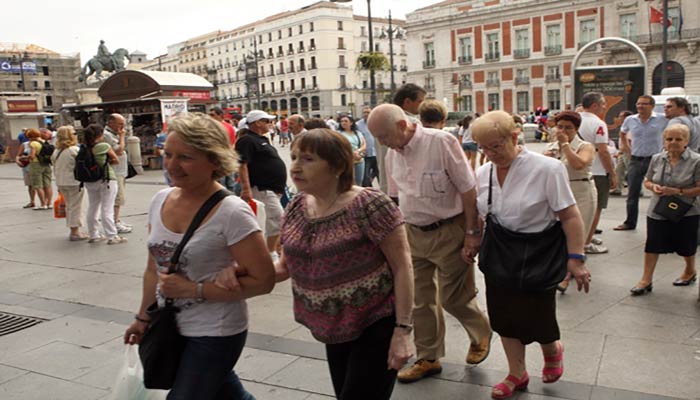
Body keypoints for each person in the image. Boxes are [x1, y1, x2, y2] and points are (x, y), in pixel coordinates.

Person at [221, 128, 414, 399]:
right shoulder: (298, 206)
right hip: (332, 327)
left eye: (308, 159)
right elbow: (285, 268)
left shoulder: (370, 205)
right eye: (295, 157)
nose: (296, 167)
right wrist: (240, 272)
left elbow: (403, 266)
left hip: (375, 322)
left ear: (337, 165)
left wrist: (403, 330)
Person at [123, 113, 275, 400]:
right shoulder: (160, 200)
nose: (171, 165)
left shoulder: (232, 212)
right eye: (167, 154)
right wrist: (142, 319)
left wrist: (194, 289)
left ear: (215, 160)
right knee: (227, 393)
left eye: (185, 157)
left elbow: (264, 280)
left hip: (216, 330)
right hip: (169, 326)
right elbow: (153, 270)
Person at [367, 104, 492, 384]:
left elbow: (468, 189)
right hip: (412, 232)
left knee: (453, 297)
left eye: (384, 136)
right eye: (378, 138)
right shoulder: (392, 154)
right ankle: (428, 357)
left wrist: (472, 232)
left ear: (402, 125)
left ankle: (481, 331)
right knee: (420, 300)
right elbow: (395, 198)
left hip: (449, 229)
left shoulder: (441, 142)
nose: (383, 143)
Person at [471, 111, 591, 399]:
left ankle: (552, 348)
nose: (489, 154)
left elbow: (570, 216)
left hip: (539, 251)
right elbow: (481, 215)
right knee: (503, 317)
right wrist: (472, 238)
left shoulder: (547, 168)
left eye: (496, 146)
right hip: (500, 250)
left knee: (539, 316)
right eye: (483, 148)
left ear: (515, 137)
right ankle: (516, 373)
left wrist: (576, 259)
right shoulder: (483, 172)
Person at [630, 124, 700, 295]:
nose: (673, 143)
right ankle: (646, 279)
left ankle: (690, 271)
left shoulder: (696, 160)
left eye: (678, 139)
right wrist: (654, 187)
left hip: (686, 210)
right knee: (652, 243)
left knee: (686, 244)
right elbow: (647, 180)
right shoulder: (657, 158)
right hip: (658, 209)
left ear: (686, 140)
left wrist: (678, 191)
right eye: (669, 139)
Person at [543, 111, 596, 293]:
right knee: (560, 234)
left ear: (576, 129)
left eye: (568, 127)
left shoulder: (585, 146)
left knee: (576, 234)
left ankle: (567, 275)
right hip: (559, 192)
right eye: (560, 126)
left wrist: (565, 145)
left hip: (581, 190)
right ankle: (562, 269)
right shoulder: (551, 146)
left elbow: (579, 164)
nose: (563, 130)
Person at [235, 110, 287, 260]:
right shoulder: (247, 140)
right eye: (267, 121)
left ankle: (272, 250)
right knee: (277, 218)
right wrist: (246, 189)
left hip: (271, 188)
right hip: (261, 188)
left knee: (271, 220)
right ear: (257, 122)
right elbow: (242, 164)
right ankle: (270, 253)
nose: (270, 124)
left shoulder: (260, 139)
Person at [615, 95, 668, 231]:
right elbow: (622, 132)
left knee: (661, 190)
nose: (640, 107)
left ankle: (663, 221)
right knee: (633, 192)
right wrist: (627, 148)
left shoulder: (662, 119)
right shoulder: (630, 120)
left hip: (656, 159)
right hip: (636, 159)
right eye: (638, 104)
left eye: (644, 104)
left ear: (652, 106)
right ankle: (630, 222)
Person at [577, 92, 616, 253]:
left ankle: (585, 235)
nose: (605, 107)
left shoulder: (574, 119)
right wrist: (612, 172)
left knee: (578, 208)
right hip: (597, 171)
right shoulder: (598, 124)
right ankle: (586, 242)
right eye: (603, 104)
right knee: (595, 207)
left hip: (577, 170)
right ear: (594, 105)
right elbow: (603, 151)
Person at [81, 124, 126, 245]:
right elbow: (116, 159)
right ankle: (112, 236)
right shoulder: (104, 146)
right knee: (107, 208)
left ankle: (93, 234)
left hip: (90, 180)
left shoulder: (84, 147)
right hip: (106, 178)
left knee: (93, 207)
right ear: (99, 135)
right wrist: (106, 161)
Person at [52, 126, 87, 241]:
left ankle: (73, 230)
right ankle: (75, 232)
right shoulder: (73, 150)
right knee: (76, 207)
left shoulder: (57, 151)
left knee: (70, 206)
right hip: (73, 181)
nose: (76, 135)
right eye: (74, 133)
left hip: (61, 181)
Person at [103, 114, 133, 235]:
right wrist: (122, 136)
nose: (122, 127)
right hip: (115, 171)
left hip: (120, 170)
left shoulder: (113, 134)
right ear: (111, 122)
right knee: (117, 198)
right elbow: (119, 150)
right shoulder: (107, 135)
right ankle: (114, 222)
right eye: (120, 124)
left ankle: (117, 220)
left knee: (119, 197)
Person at [25, 129, 52, 210]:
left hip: (36, 164)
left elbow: (32, 156)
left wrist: (25, 157)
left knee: (38, 185)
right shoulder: (44, 142)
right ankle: (49, 203)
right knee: (47, 184)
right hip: (46, 164)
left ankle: (43, 204)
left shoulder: (33, 143)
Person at [338, 114, 366, 186]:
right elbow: (339, 146)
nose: (343, 123)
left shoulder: (358, 133)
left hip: (359, 159)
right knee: (348, 182)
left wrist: (358, 151)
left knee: (359, 181)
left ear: (351, 123)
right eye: (342, 121)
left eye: (345, 121)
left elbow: (364, 144)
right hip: (346, 160)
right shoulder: (339, 134)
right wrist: (352, 153)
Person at [611, 111, 634, 196]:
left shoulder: (630, 128)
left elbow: (629, 141)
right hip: (622, 153)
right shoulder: (623, 127)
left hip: (628, 152)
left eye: (621, 117)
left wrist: (625, 152)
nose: (619, 118)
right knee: (619, 170)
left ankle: (635, 189)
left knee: (631, 172)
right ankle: (617, 188)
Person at [356, 106, 379, 187]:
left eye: (368, 112)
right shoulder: (358, 125)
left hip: (377, 154)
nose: (366, 114)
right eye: (364, 112)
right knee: (365, 178)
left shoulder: (377, 123)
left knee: (380, 174)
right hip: (366, 154)